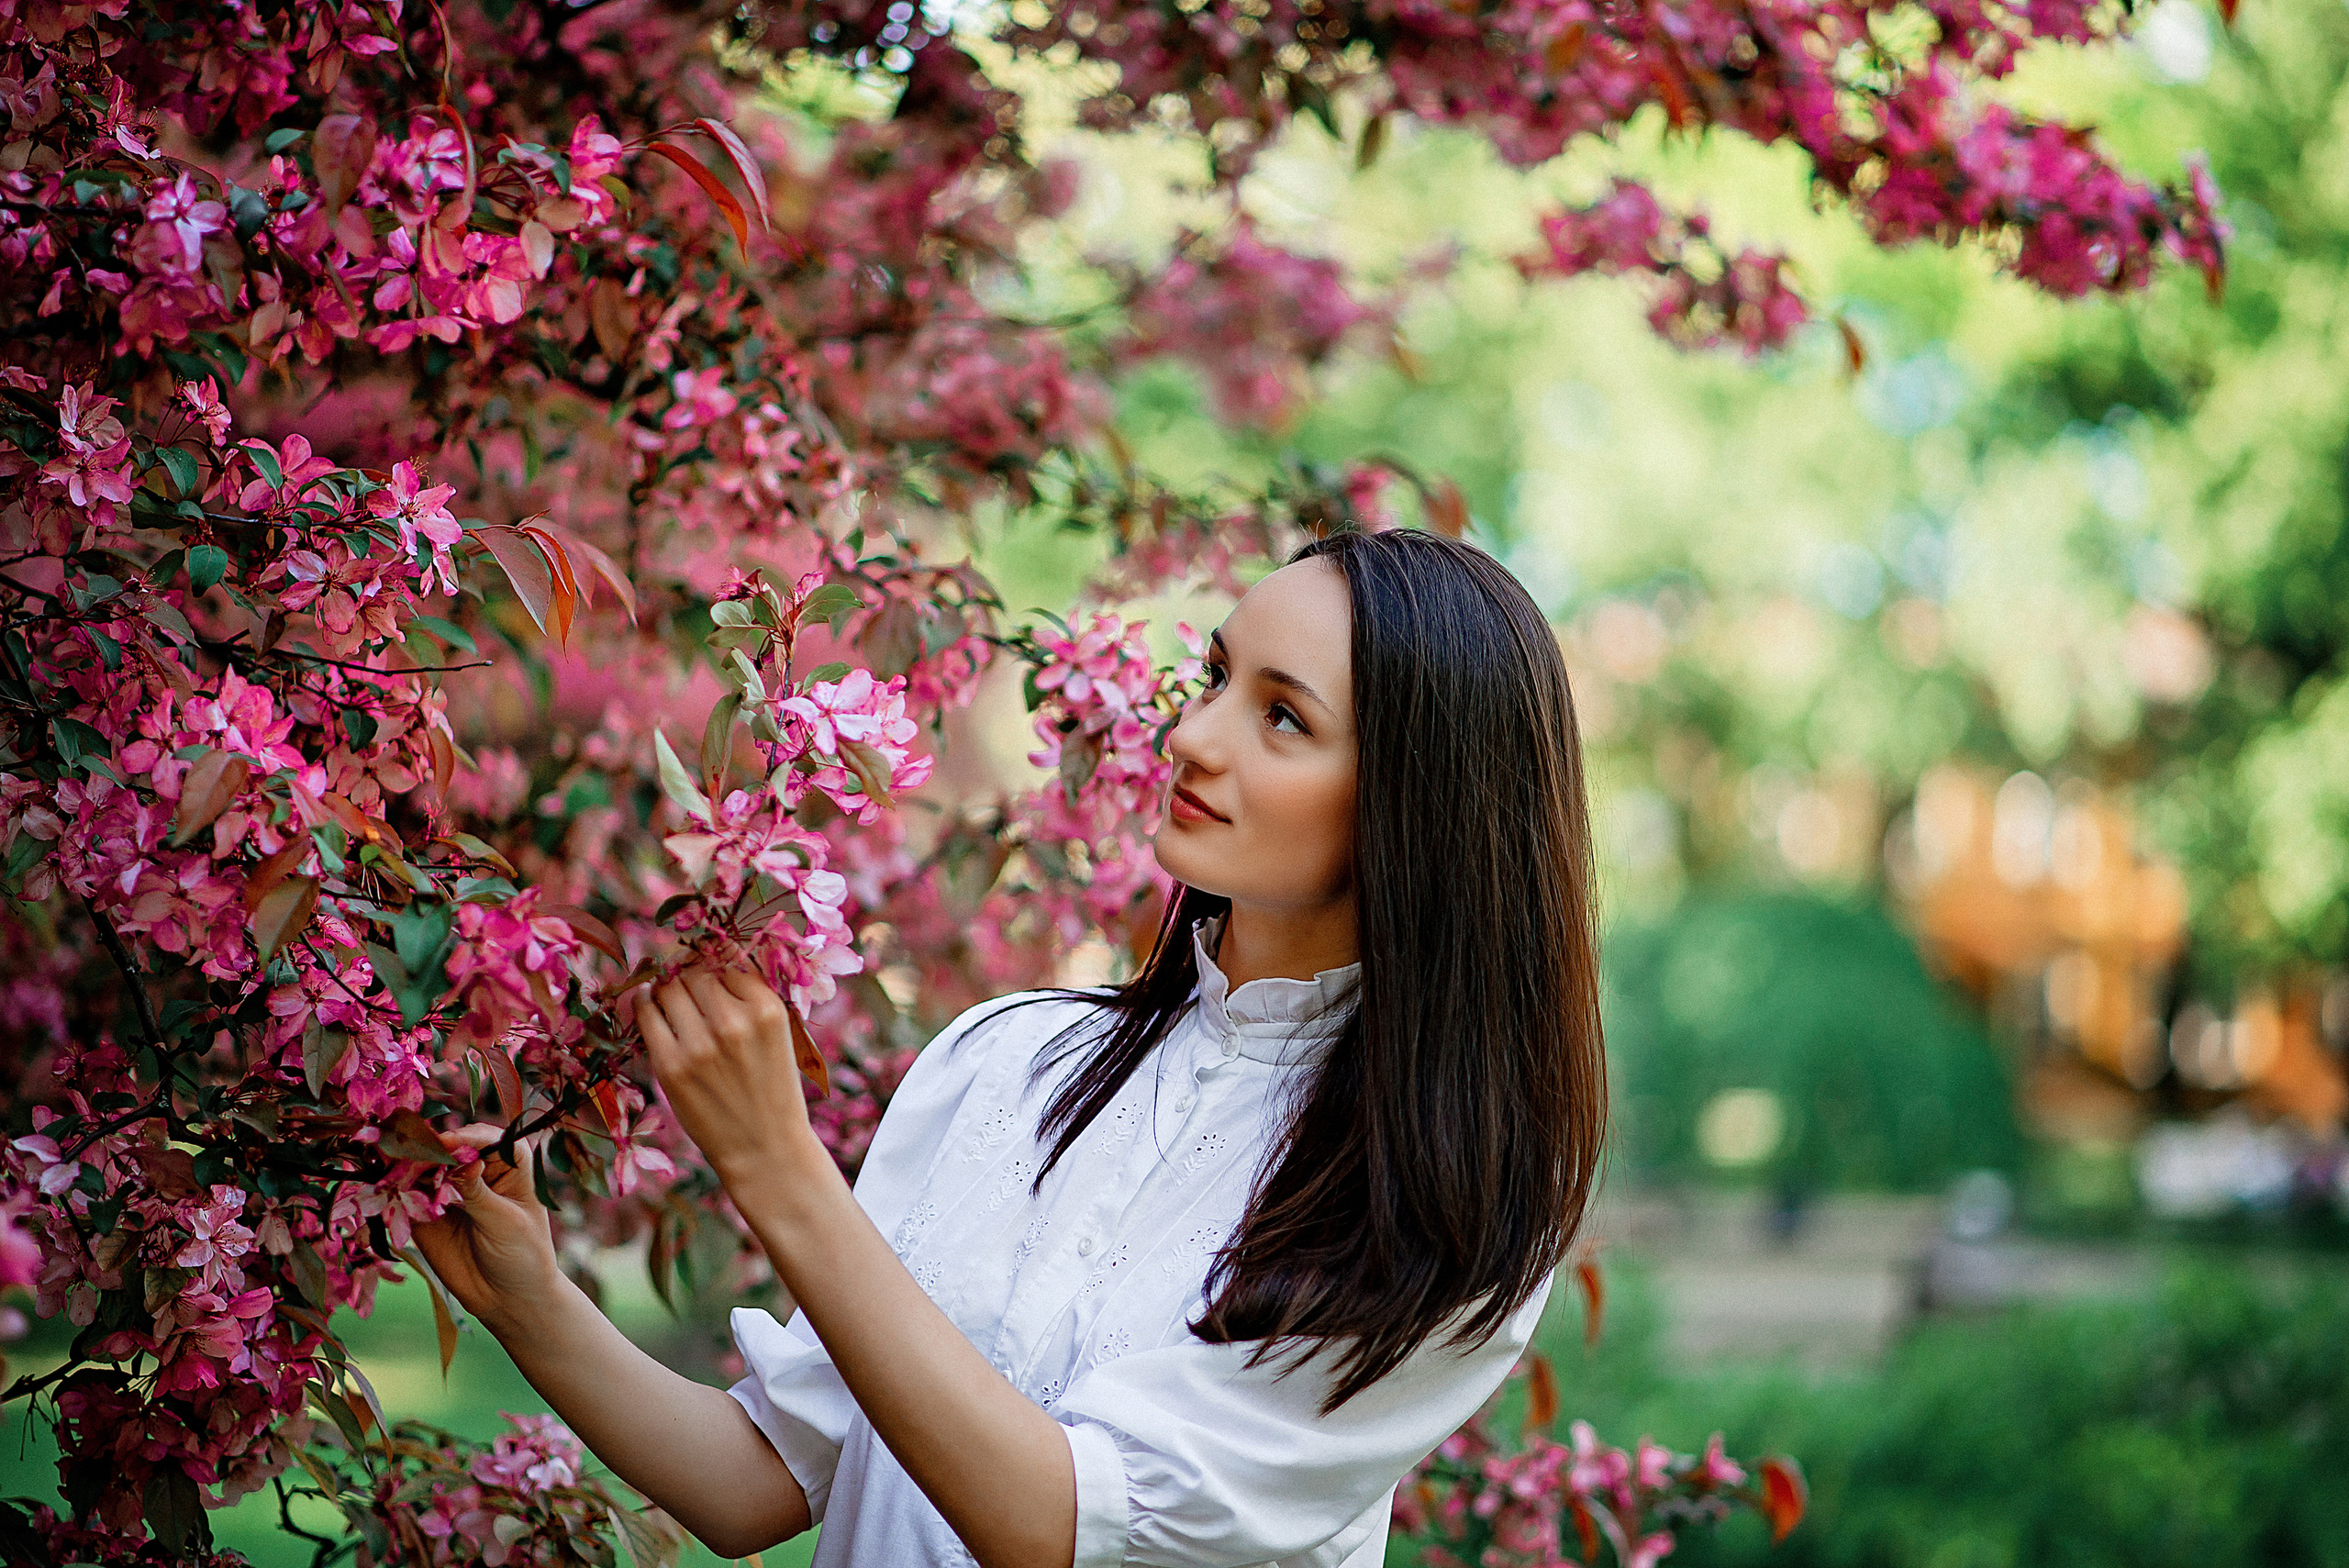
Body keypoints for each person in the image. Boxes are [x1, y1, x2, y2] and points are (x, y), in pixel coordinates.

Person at [416, 527, 1608, 1568]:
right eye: (1214, 675)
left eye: (1282, 716)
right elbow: (761, 1482)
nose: (1192, 734)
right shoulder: (1007, 1062)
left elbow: (1054, 1525)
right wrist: (533, 1300)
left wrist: (779, 1167)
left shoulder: (1443, 1215)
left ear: (1418, 804)